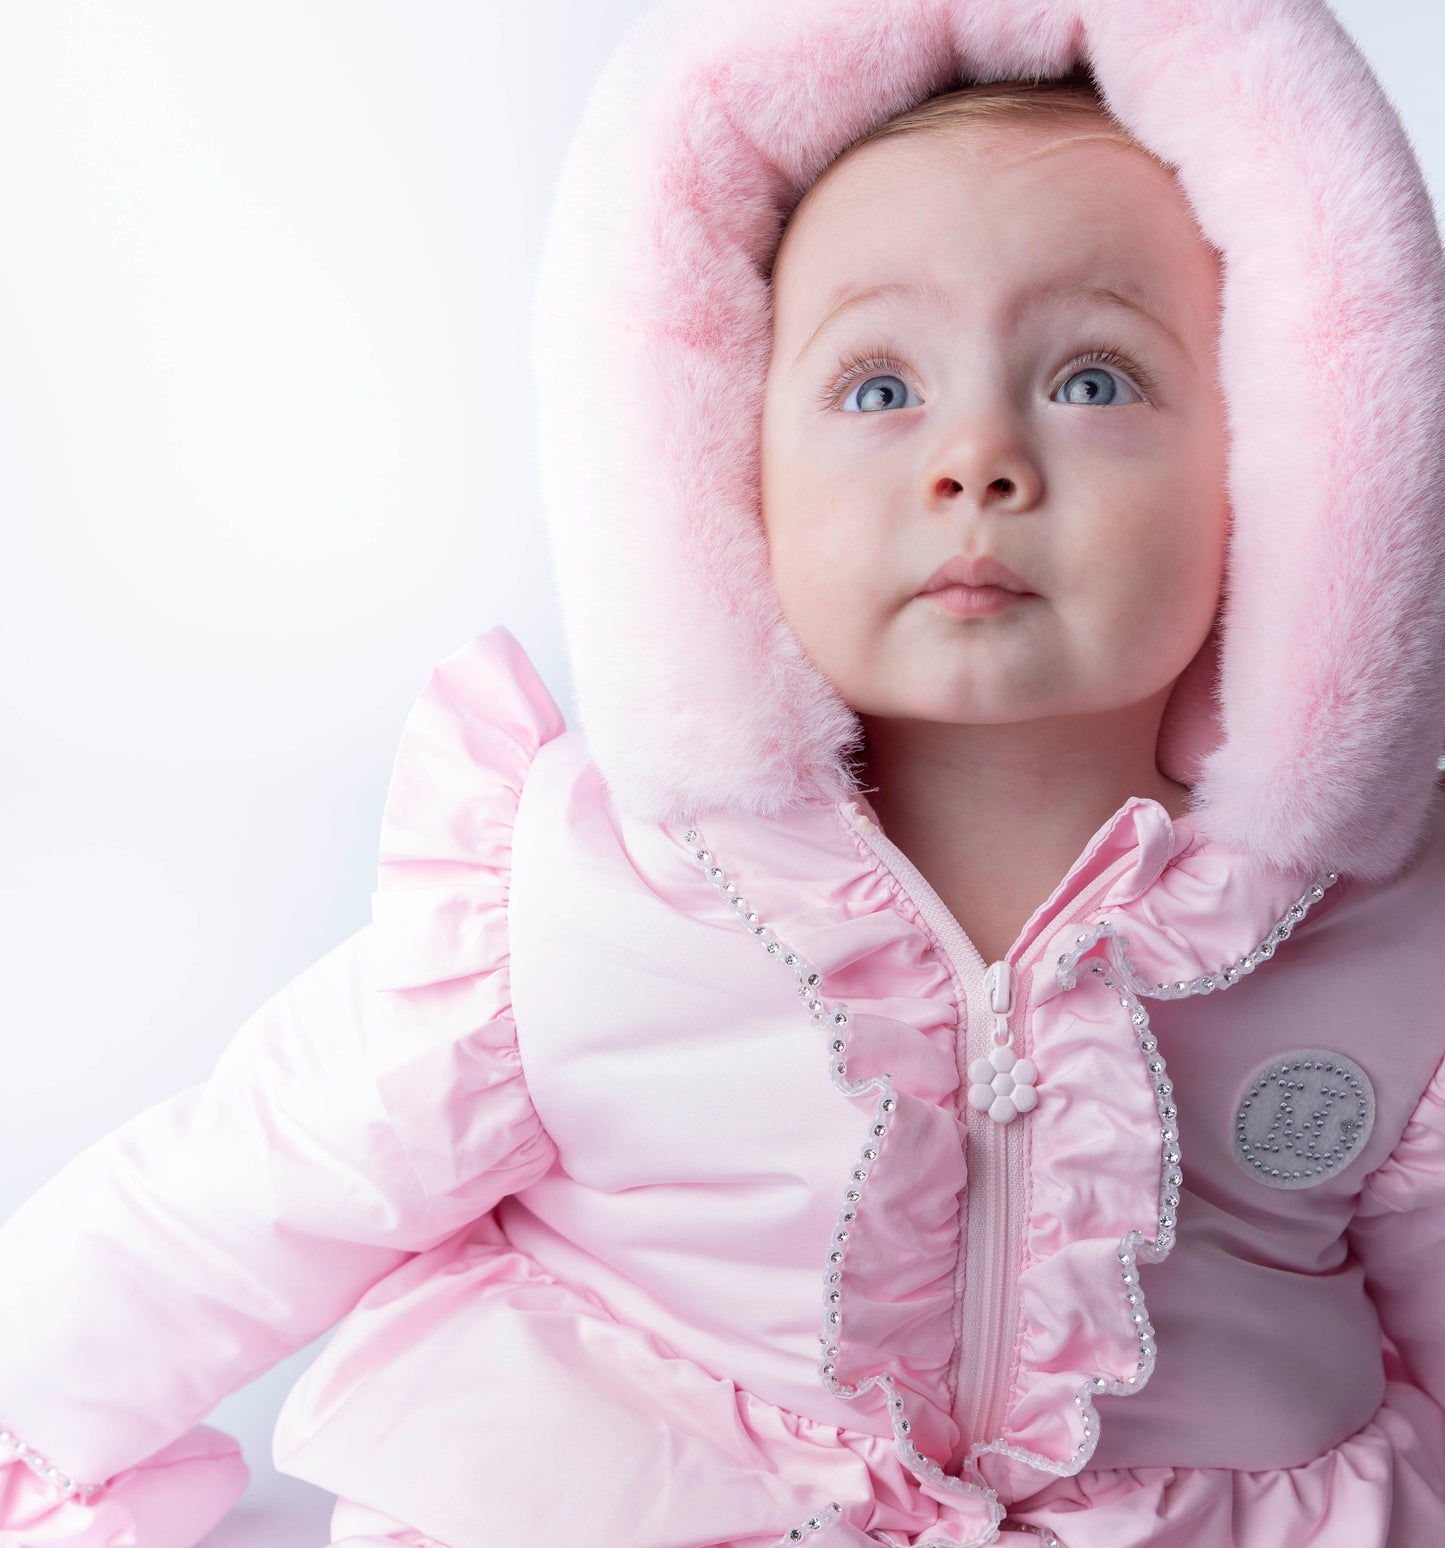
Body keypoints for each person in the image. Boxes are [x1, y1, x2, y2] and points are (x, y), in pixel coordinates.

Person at [4, 0, 1445, 1544]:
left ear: (1297, 460)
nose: (975, 458)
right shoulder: (575, 894)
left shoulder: (1390, 941)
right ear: (713, 468)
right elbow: (239, 1195)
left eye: (1092, 379)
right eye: (877, 388)